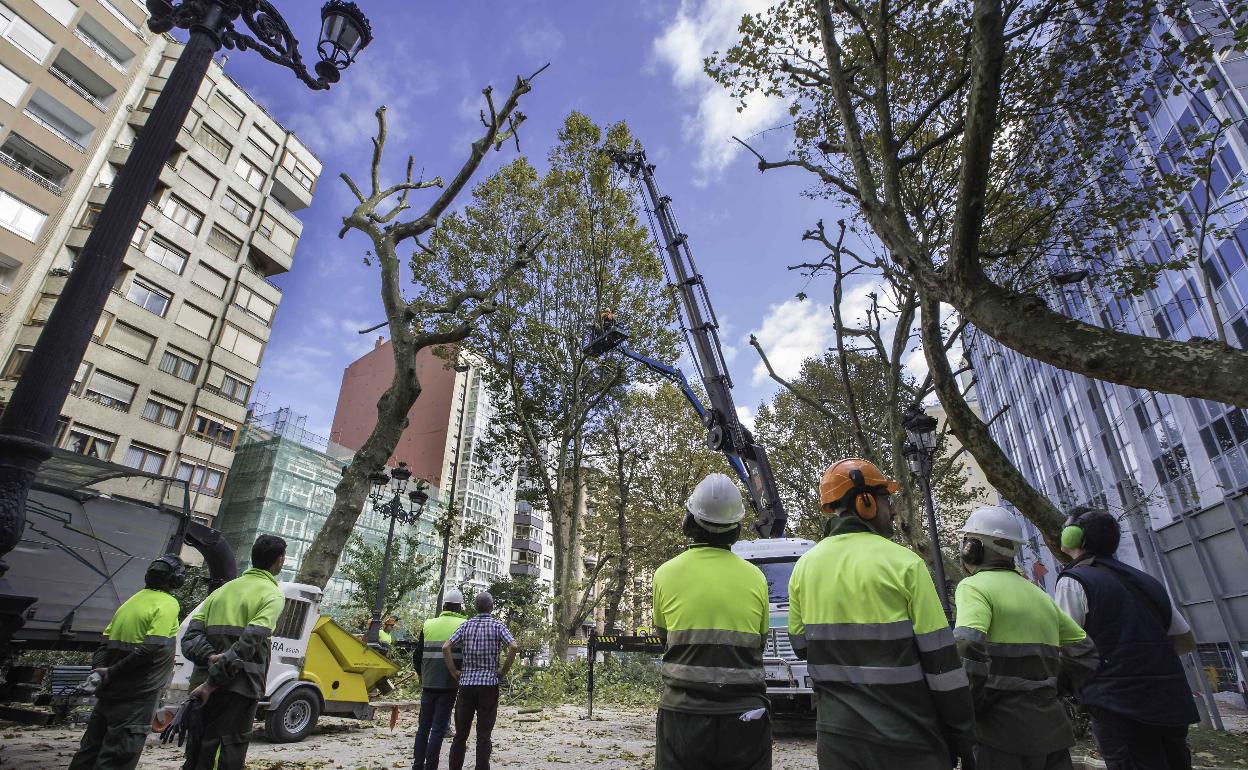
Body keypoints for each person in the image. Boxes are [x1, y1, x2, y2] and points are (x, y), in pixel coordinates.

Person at [789, 458, 976, 770]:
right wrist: (962, 736)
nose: (892, 510)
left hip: (838, 742)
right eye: (886, 500)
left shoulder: (804, 568)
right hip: (908, 739)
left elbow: (800, 646)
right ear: (865, 503)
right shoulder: (905, 563)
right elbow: (942, 665)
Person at [953, 506, 1099, 770]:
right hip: (1052, 729)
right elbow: (1085, 650)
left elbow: (967, 644)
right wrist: (1051, 687)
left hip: (999, 734)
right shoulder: (1038, 594)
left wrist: (967, 709)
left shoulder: (973, 587)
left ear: (972, 547)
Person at [1055, 507, 1199, 770]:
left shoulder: (1074, 581)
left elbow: (1067, 648)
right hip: (1171, 701)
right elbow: (1185, 640)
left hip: (1117, 706)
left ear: (1075, 537)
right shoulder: (1146, 580)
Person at [651, 473, 771, 770]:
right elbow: (760, 642)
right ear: (736, 527)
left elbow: (664, 636)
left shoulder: (665, 574)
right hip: (746, 716)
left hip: (682, 716)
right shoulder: (756, 578)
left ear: (689, 520)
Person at [180, 534, 287, 770]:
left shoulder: (221, 591)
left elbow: (190, 638)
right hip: (239, 688)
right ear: (280, 560)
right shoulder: (272, 595)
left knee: (197, 749)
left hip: (201, 685)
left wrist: (209, 660)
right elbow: (249, 643)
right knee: (225, 750)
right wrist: (214, 680)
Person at [68, 555, 185, 770]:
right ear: (176, 580)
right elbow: (151, 649)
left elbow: (104, 644)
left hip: (109, 693)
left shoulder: (131, 602)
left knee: (89, 751)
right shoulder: (168, 604)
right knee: (118, 756)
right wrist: (111, 671)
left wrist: (100, 672)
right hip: (136, 695)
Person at [442, 591, 518, 770]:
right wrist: (503, 671)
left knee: (461, 734)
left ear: (475, 607)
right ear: (492, 607)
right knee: (484, 735)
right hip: (489, 686)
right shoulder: (498, 626)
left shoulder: (466, 626)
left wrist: (454, 671)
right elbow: (513, 646)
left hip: (466, 684)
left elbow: (446, 646)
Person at [412, 590, 467, 770]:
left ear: (444, 606)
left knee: (423, 728)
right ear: (460, 608)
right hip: (450, 683)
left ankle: (417, 765)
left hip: (428, 683)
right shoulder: (464, 624)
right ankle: (431, 767)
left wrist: (422, 676)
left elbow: (417, 655)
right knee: (438, 728)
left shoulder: (429, 624)